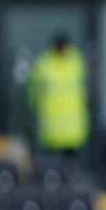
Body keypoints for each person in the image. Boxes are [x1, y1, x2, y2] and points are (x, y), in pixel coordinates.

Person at [28, 33, 89, 163]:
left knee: (69, 162)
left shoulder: (76, 62)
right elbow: (33, 91)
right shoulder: (44, 63)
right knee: (52, 166)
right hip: (51, 127)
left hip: (73, 128)